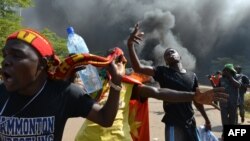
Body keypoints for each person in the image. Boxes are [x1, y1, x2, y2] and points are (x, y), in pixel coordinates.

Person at [75, 47, 227, 141]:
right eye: (111, 59)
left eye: (119, 60)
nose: (115, 62)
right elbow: (80, 102)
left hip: (119, 137)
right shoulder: (96, 84)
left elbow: (158, 92)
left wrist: (198, 104)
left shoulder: (130, 86)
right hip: (87, 137)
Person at [0, 29, 124, 141]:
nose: (6, 61)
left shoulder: (64, 93)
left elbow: (105, 118)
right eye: (5, 55)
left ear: (42, 63)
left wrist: (116, 81)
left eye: (17, 55)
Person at [127, 23, 214, 141]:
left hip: (190, 122)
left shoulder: (192, 76)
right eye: (166, 55)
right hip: (173, 123)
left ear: (180, 56)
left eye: (172, 51)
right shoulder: (162, 71)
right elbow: (139, 68)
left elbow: (198, 100)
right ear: (166, 62)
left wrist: (207, 119)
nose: (169, 54)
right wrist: (130, 45)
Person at [218, 64, 241, 140]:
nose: (223, 72)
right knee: (224, 120)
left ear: (230, 71)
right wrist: (212, 81)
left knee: (232, 120)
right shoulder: (221, 79)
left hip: (233, 102)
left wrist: (230, 77)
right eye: (223, 70)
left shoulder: (237, 77)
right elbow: (216, 88)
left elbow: (238, 85)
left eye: (225, 70)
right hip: (223, 103)